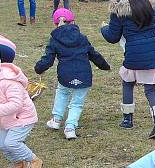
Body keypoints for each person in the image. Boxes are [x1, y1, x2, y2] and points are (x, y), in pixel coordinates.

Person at [102, 0, 155, 139]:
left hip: (133, 54)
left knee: (128, 82)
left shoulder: (119, 10)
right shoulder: (149, 5)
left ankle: (127, 119)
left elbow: (112, 36)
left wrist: (103, 28)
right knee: (150, 89)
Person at [35, 8, 110, 139]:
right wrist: (104, 66)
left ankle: (56, 119)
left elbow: (48, 58)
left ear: (55, 23)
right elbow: (93, 54)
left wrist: (39, 68)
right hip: (84, 75)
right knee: (77, 103)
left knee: (62, 92)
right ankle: (70, 127)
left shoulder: (54, 39)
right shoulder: (82, 38)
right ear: (73, 21)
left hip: (65, 75)